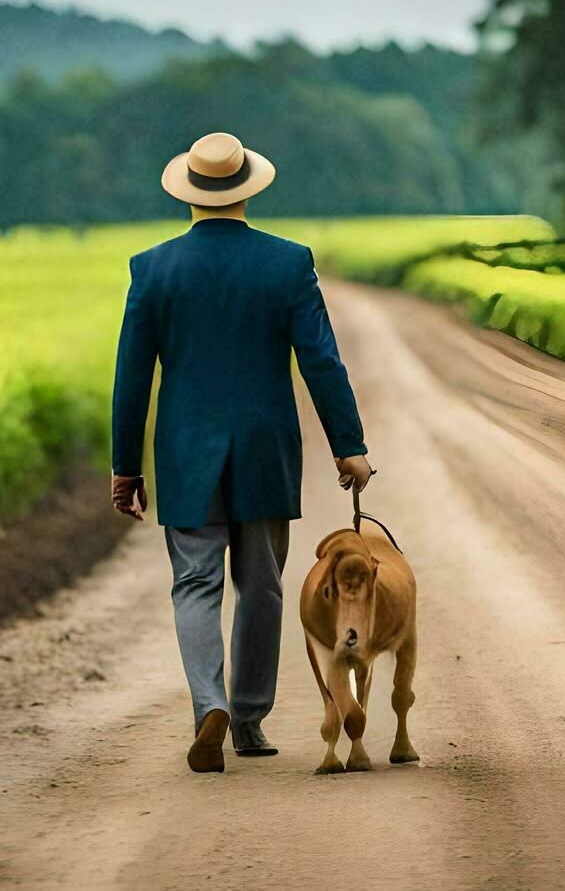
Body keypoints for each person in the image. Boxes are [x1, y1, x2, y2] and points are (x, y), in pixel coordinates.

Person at [110, 131, 373, 774]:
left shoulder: (153, 268)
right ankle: (249, 719)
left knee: (194, 583)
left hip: (185, 450)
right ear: (248, 188)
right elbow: (321, 360)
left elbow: (132, 378)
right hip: (264, 448)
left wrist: (125, 466)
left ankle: (208, 706)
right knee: (262, 586)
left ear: (190, 194)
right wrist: (350, 447)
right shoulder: (287, 263)